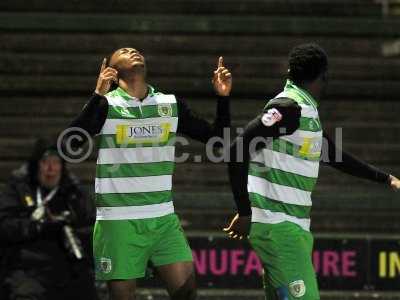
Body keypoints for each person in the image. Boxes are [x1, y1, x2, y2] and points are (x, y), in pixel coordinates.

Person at [223, 43, 400, 300]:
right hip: (279, 228)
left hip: (289, 229)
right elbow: (237, 150)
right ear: (322, 77)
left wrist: (387, 178)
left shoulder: (305, 114)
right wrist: (244, 210)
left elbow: (336, 156)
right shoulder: (289, 108)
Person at [59, 48, 232, 300]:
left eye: (136, 51)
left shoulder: (169, 104)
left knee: (187, 292)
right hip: (118, 221)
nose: (133, 52)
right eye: (125, 51)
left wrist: (223, 98)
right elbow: (67, 145)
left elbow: (219, 141)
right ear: (112, 69)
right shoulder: (108, 105)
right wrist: (97, 95)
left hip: (162, 218)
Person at [0, 138, 98, 300]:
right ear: (36, 165)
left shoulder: (73, 192)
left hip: (66, 265)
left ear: (62, 166)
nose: (50, 169)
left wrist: (71, 229)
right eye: (45, 162)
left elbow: (92, 227)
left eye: (56, 162)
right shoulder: (18, 188)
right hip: (27, 265)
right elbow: (5, 225)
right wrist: (37, 226)